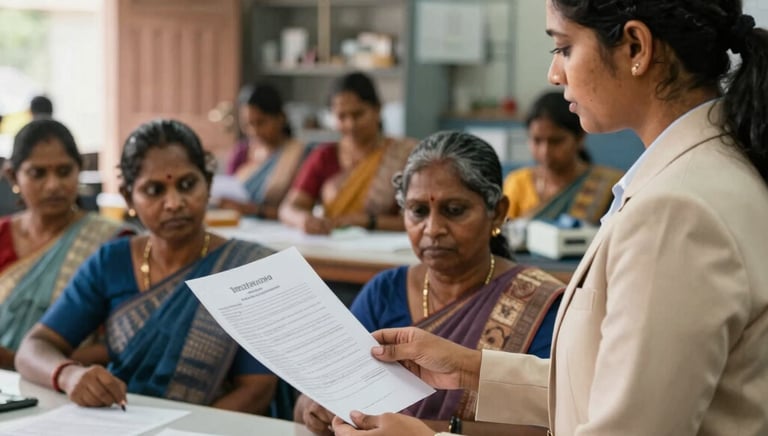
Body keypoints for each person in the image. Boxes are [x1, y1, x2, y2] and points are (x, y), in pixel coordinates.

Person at [331, 1, 768, 435]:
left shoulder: (677, 211)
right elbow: (603, 389)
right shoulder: (699, 173)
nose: (554, 74)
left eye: (563, 48)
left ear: (636, 47)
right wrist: (468, 369)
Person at [294, 131, 563, 435]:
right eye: (418, 211)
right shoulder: (384, 292)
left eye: (454, 211)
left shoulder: (540, 305)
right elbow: (318, 392)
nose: (432, 229)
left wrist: (429, 431)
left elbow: (555, 423)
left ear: (498, 213)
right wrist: (315, 407)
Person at [15, 119, 278, 414]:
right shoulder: (112, 262)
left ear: (208, 183)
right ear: (129, 197)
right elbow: (34, 347)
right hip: (124, 421)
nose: (174, 203)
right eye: (154, 190)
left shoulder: (247, 269)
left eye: (187, 184)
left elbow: (256, 390)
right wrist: (68, 374)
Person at [0, 119, 127, 370]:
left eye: (64, 171)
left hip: (71, 385)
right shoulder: (2, 234)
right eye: (38, 173)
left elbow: (122, 341)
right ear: (13, 176)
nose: (53, 185)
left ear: (80, 169)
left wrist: (34, 363)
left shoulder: (111, 243)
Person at [279, 72, 416, 234]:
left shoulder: (404, 154)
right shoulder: (324, 156)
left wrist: (368, 222)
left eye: (358, 114)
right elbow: (288, 208)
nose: (350, 125)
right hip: (333, 247)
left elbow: (419, 219)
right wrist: (304, 220)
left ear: (377, 109)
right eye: (341, 116)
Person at [503, 91, 622, 225]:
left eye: (556, 141)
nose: (545, 151)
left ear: (580, 138)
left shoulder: (609, 186)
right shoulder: (517, 183)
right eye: (537, 140)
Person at [218, 83, 306, 219]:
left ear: (281, 118)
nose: (254, 131)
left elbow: (300, 210)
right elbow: (228, 194)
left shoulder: (298, 154)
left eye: (261, 122)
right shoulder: (241, 152)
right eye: (247, 124)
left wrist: (252, 210)